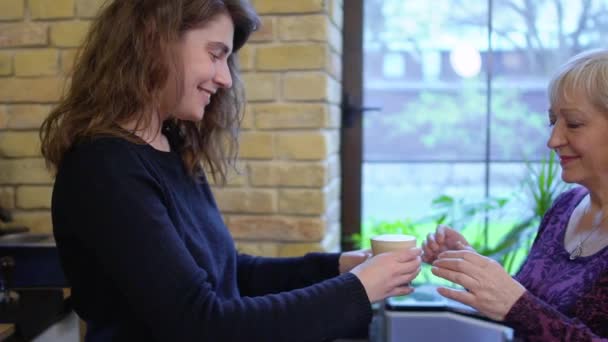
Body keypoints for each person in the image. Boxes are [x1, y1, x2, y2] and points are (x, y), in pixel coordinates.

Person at [39, 1, 422, 341]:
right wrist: (359, 288)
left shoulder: (172, 148)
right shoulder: (104, 169)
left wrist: (338, 267)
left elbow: (230, 274)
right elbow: (200, 323)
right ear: (155, 40)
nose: (224, 78)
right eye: (215, 54)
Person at [422, 49, 608, 341]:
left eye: (573, 123)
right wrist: (474, 268)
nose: (553, 140)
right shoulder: (564, 208)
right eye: (552, 122)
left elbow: (524, 309)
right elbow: (531, 303)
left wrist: (516, 306)